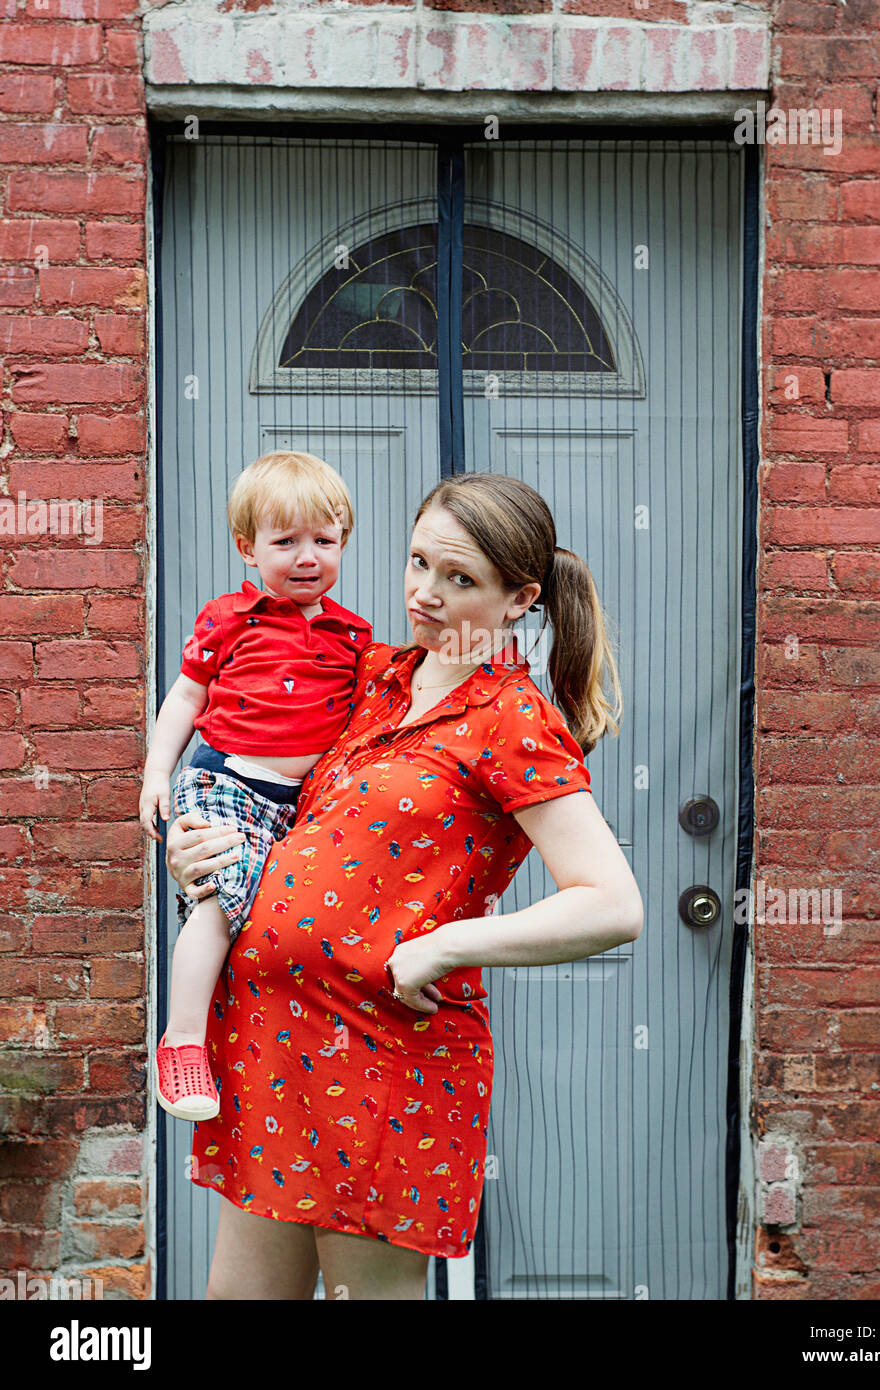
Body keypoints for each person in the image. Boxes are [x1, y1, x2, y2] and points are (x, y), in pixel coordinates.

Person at [165, 472, 644, 1301]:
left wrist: (442, 945)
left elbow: (612, 904)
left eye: (459, 580)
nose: (423, 594)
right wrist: (198, 845)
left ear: (519, 598)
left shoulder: (511, 719)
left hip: (383, 1062)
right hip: (270, 1044)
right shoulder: (373, 678)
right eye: (417, 562)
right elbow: (252, 765)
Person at [140, 451, 372, 1122]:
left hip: (293, 810)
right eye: (285, 541)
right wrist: (157, 774)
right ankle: (181, 1042)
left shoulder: (352, 637)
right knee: (219, 901)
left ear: (342, 544)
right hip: (224, 783)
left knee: (269, 925)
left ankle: (263, 1069)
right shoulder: (228, 619)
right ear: (247, 548)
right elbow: (185, 697)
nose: (307, 557)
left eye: (323, 541)